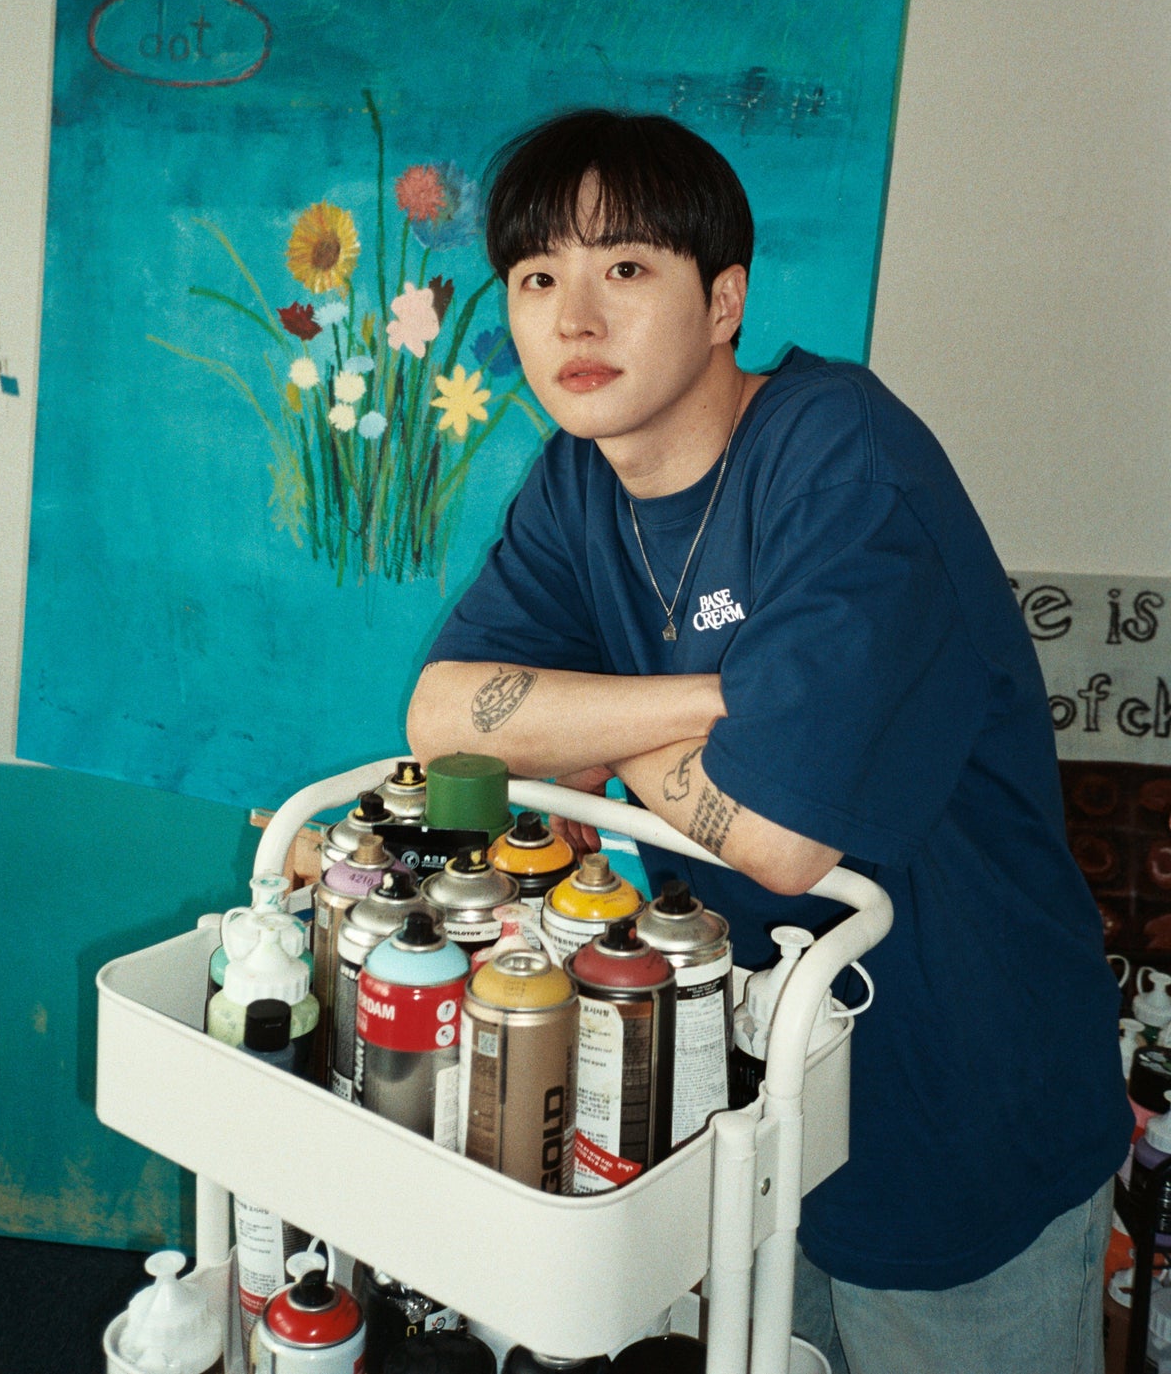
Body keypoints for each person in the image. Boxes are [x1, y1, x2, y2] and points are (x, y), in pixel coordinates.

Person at [407, 108, 1130, 1374]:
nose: (575, 319)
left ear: (722, 300)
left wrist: (590, 724)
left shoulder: (840, 455)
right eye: (537, 278)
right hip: (767, 1094)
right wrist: (716, 699)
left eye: (626, 267)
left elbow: (783, 842)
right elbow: (443, 718)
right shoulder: (580, 481)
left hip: (963, 1095)